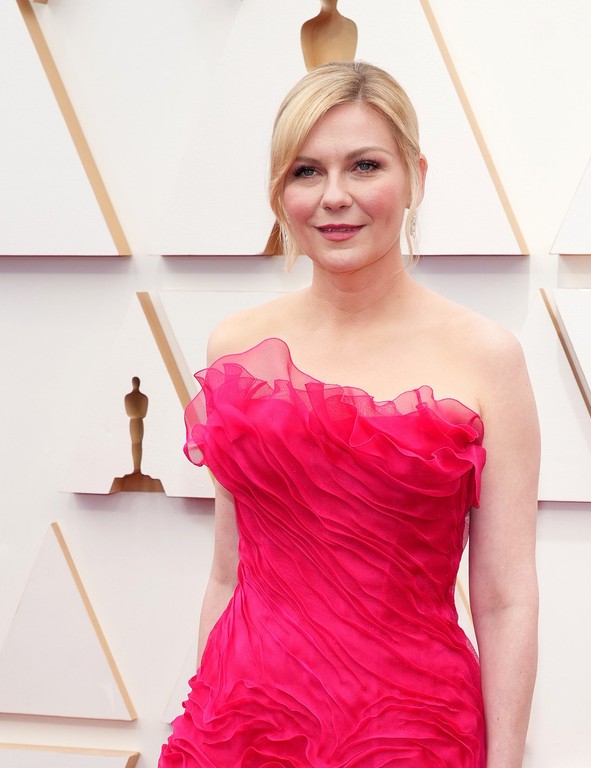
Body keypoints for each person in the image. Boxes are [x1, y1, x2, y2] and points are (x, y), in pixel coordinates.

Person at [159, 61, 539, 768]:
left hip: (411, 732)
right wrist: (209, 724)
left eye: (365, 166)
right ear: (281, 191)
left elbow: (505, 598)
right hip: (247, 728)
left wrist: (506, 760)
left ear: (415, 177)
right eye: (306, 171)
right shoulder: (236, 348)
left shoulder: (487, 358)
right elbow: (227, 575)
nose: (334, 197)